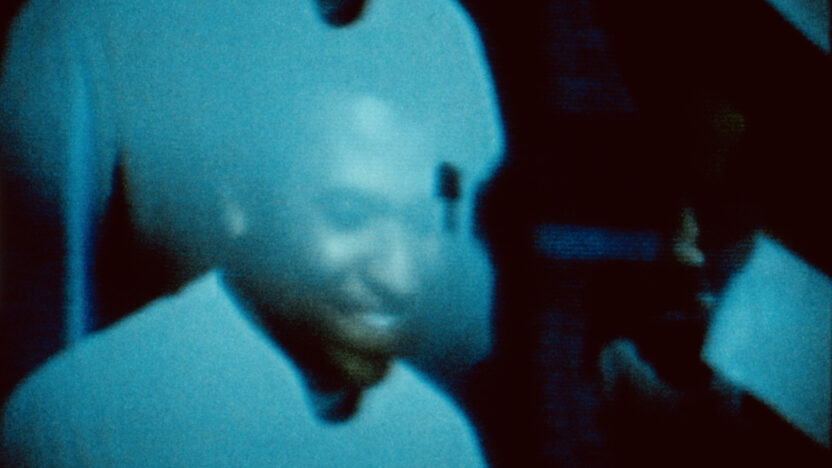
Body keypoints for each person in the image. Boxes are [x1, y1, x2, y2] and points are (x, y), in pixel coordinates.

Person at [0, 0, 503, 464]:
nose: (399, 275)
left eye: (421, 223)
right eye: (349, 215)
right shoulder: (87, 418)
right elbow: (48, 285)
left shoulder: (437, 437)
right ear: (237, 202)